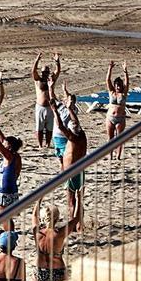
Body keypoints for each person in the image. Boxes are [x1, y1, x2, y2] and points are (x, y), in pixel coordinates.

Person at [32, 200, 79, 281]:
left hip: (41, 271)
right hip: (57, 271)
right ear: (57, 218)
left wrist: (39, 200)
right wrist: (79, 198)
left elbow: (33, 216)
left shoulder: (37, 232)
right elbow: (77, 218)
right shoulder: (60, 233)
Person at [51, 80, 88, 222]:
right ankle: (80, 224)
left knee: (71, 201)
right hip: (80, 169)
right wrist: (70, 110)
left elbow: (60, 126)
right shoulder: (81, 134)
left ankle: (75, 224)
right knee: (79, 199)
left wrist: (55, 111)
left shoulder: (72, 138)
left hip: (72, 171)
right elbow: (75, 122)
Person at [0, 124, 22, 232]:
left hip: (5, 191)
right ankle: (9, 235)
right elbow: (3, 140)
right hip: (11, 189)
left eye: (6, 144)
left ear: (9, 147)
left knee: (4, 217)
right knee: (7, 216)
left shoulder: (9, 157)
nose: (4, 143)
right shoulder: (15, 156)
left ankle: (8, 236)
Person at [31, 53, 61, 149]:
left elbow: (58, 71)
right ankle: (40, 144)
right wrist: (37, 60)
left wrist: (57, 61)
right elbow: (33, 71)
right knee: (39, 127)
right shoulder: (38, 80)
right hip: (40, 106)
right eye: (44, 72)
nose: (45, 74)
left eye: (47, 72)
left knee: (49, 127)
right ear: (42, 72)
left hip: (49, 107)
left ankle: (47, 144)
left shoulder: (51, 80)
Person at [105, 61, 130, 159]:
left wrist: (125, 71)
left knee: (119, 138)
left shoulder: (124, 93)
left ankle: (118, 156)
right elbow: (107, 80)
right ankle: (110, 155)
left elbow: (127, 82)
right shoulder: (111, 92)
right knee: (110, 138)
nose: (118, 87)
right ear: (115, 86)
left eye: (120, 85)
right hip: (110, 118)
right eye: (117, 85)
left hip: (120, 118)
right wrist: (110, 68)